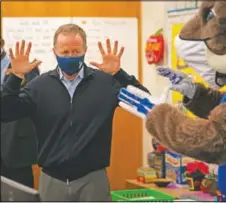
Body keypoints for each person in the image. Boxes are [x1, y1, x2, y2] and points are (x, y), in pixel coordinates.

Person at [1, 24, 149, 201]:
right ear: (54, 51)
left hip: (93, 179)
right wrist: (15, 78)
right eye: (64, 52)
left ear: (85, 50)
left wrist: (119, 74)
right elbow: (5, 111)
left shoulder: (105, 83)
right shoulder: (39, 86)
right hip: (52, 179)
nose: (70, 56)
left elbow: (145, 103)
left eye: (76, 51)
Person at [1, 38, 39, 188]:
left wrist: (16, 77)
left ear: (2, 43)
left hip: (15, 148)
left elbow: (31, 100)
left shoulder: (23, 65)